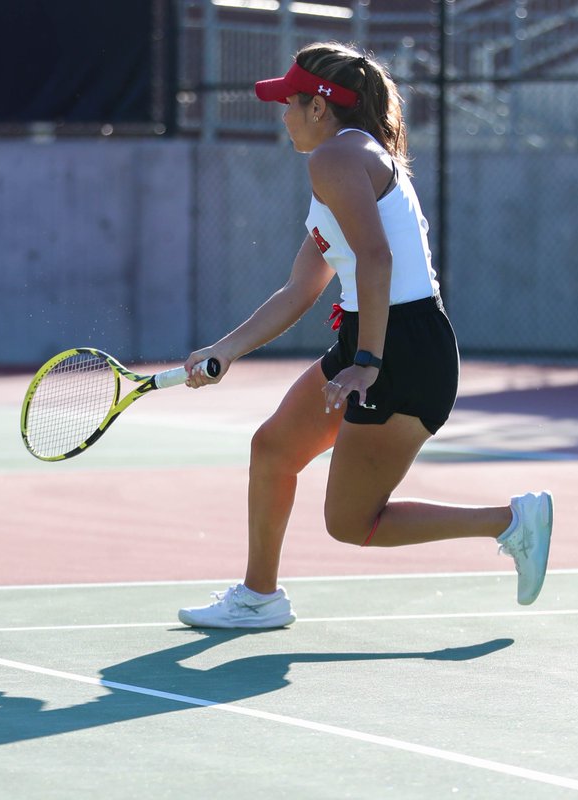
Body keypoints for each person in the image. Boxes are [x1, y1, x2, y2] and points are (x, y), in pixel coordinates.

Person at [177, 42, 553, 629]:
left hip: (400, 350)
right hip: (374, 337)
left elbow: (375, 261)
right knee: (273, 449)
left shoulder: (334, 160)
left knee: (351, 523)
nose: (283, 115)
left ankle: (508, 522)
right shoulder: (347, 163)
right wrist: (222, 351)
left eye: (289, 103)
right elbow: (300, 290)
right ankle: (259, 597)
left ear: (321, 108)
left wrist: (369, 363)